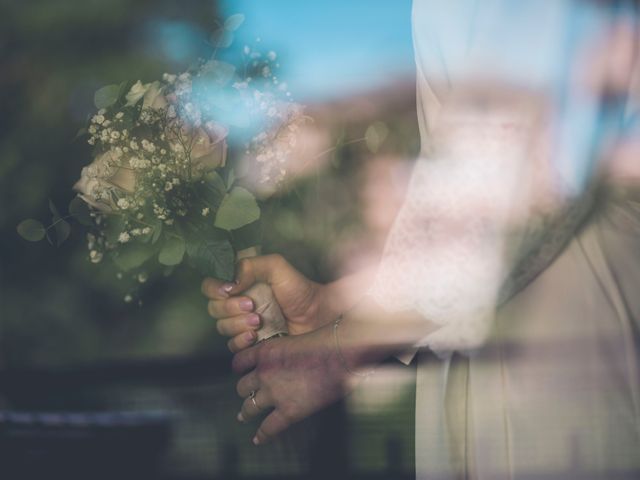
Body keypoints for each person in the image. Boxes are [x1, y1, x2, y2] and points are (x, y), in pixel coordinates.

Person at [202, 1, 640, 478]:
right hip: (501, 370)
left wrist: (345, 347)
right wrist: (341, 307)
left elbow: (519, 174)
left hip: (565, 374)